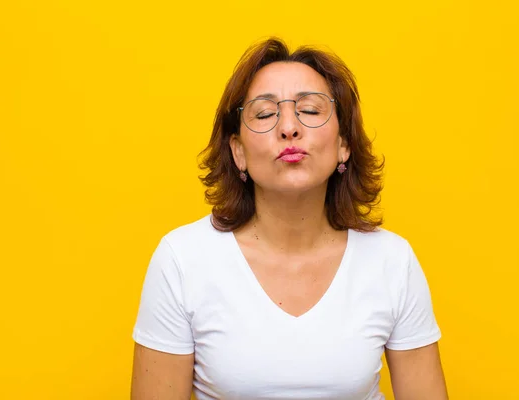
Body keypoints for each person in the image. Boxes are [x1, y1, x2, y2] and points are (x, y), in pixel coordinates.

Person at [130, 37, 448, 400]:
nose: (289, 128)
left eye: (310, 111)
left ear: (344, 143)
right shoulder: (181, 260)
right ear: (238, 152)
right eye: (265, 114)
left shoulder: (392, 261)